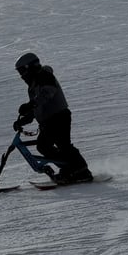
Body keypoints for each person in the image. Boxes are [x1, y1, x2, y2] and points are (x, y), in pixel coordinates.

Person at [12, 52, 93, 184]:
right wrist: (24, 119)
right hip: (49, 120)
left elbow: (48, 93)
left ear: (29, 67)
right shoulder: (33, 84)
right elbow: (36, 106)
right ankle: (70, 169)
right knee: (44, 146)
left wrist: (31, 104)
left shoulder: (44, 76)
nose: (21, 76)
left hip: (59, 116)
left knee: (63, 145)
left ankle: (82, 171)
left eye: (22, 71)